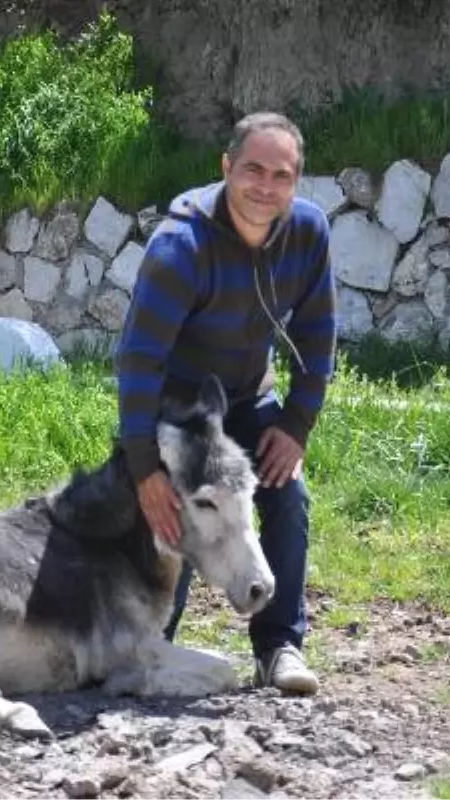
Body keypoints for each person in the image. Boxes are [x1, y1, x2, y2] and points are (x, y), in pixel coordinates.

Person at [113, 111, 337, 695]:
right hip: (177, 409)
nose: (266, 187)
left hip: (248, 396)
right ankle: (157, 645)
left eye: (282, 175)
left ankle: (279, 646)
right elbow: (139, 360)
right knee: (181, 508)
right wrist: (145, 465)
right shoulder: (179, 246)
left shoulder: (308, 234)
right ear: (226, 168)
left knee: (289, 494)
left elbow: (318, 335)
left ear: (297, 181)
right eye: (253, 170)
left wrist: (296, 425)